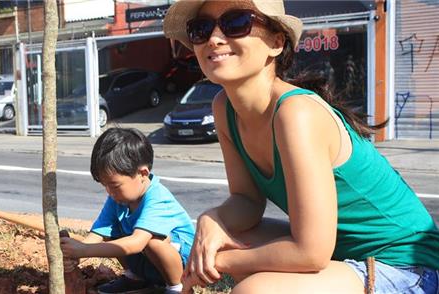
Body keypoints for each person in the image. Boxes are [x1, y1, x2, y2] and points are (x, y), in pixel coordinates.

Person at [163, 0, 439, 293]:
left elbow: (311, 252)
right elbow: (246, 200)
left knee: (255, 290)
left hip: (407, 266)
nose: (215, 38)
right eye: (201, 29)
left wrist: (222, 262)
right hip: (341, 254)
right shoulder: (224, 108)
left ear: (277, 42)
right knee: (227, 234)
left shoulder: (296, 113)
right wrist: (212, 218)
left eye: (236, 23)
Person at [60, 128, 195, 294]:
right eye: (105, 186)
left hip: (183, 263)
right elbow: (99, 233)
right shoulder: (118, 199)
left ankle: (177, 287)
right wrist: (77, 252)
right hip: (149, 262)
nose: (109, 192)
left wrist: (84, 250)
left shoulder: (157, 198)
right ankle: (136, 278)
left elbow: (137, 243)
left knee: (153, 240)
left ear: (142, 174)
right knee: (113, 231)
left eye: (114, 185)